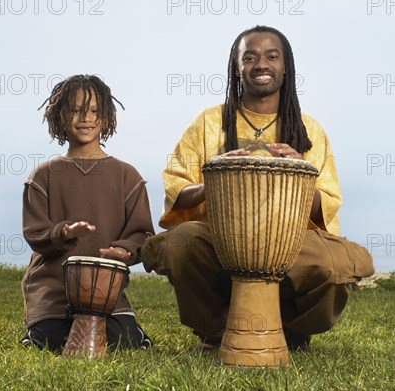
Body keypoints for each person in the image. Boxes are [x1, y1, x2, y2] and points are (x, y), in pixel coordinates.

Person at [141, 25, 374, 351]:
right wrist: (217, 174)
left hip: (291, 241)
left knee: (335, 263)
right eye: (249, 57)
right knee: (181, 242)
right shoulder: (210, 122)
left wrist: (299, 173)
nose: (260, 64)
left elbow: (329, 203)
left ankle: (292, 331)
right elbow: (177, 189)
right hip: (220, 237)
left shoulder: (308, 130)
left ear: (285, 66)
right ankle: (216, 331)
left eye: (271, 56)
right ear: (237, 67)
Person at [20, 74, 154, 351]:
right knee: (55, 340)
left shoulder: (128, 176)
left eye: (94, 110)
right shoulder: (43, 176)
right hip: (53, 294)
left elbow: (142, 234)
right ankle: (34, 333)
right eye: (76, 110)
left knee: (120, 341)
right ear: (60, 116)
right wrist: (63, 233)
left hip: (107, 296)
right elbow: (35, 234)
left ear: (106, 117)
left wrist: (125, 250)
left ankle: (134, 332)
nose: (86, 118)